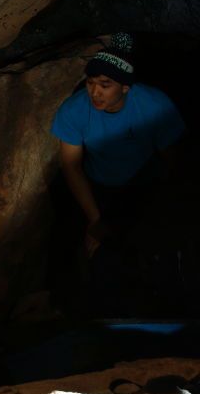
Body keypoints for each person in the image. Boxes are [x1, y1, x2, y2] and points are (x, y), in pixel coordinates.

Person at [51, 34, 185, 255]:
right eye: (91, 82)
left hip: (144, 180)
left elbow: (173, 158)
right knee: (94, 246)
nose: (95, 92)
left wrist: (168, 200)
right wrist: (94, 219)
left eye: (105, 85)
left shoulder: (154, 105)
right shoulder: (74, 110)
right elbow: (71, 165)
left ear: (125, 87)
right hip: (98, 183)